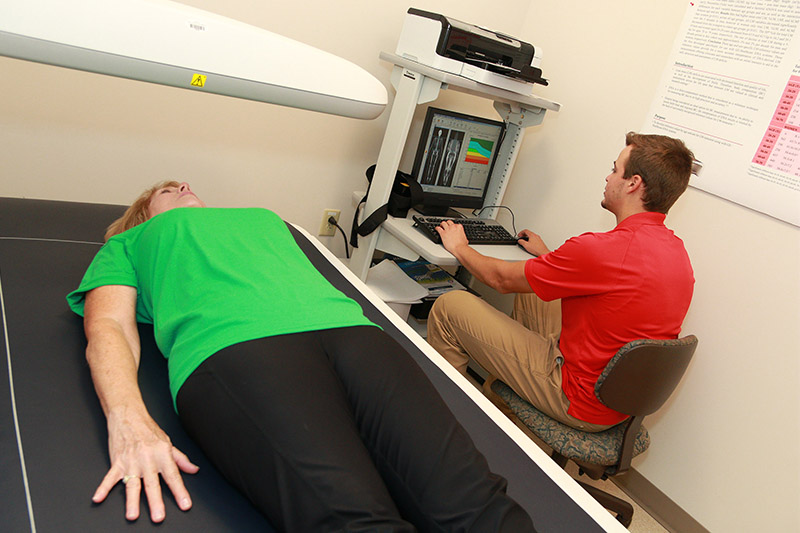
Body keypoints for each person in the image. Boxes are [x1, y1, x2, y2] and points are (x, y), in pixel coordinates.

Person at [66, 181, 535, 531]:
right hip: (240, 349)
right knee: (353, 520)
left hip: (354, 335)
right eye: (167, 189)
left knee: (477, 503)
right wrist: (129, 419)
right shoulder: (132, 242)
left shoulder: (264, 218)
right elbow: (109, 324)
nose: (185, 185)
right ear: (142, 217)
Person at [427, 132, 695, 432]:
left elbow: (500, 279)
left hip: (577, 397)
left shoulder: (602, 249)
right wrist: (548, 257)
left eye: (614, 169)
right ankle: (500, 408)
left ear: (633, 184)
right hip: (616, 401)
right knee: (534, 289)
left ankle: (442, 424)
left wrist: (459, 246)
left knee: (450, 306)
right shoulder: (676, 251)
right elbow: (611, 289)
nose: (607, 178)